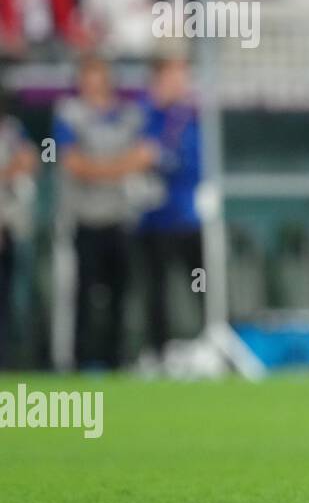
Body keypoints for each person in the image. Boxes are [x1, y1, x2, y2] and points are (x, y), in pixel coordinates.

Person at [53, 56, 152, 370]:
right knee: (83, 293)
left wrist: (100, 168)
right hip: (84, 217)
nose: (93, 82)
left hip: (121, 217)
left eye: (98, 74)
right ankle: (80, 359)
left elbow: (144, 156)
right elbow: (71, 161)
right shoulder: (69, 113)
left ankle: (118, 359)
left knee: (121, 292)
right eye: (88, 75)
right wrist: (115, 168)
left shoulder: (128, 114)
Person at [136, 55, 203, 366]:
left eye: (182, 77)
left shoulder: (193, 115)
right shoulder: (144, 114)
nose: (177, 84)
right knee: (156, 289)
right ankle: (158, 352)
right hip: (153, 219)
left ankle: (212, 344)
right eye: (170, 77)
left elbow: (195, 162)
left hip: (189, 217)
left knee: (202, 284)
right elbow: (138, 154)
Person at [0, 92, 36, 368]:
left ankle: (12, 359)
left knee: (13, 295)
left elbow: (30, 159)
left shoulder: (11, 128)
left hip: (10, 223)